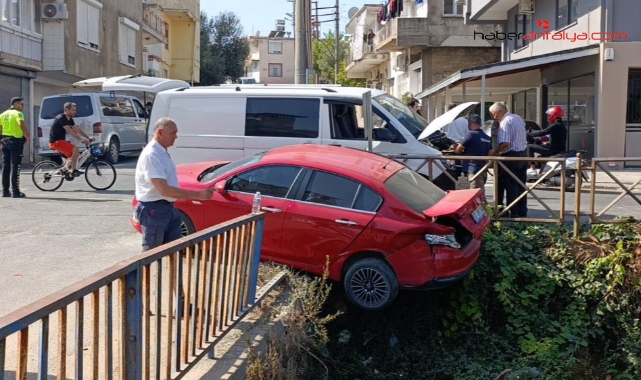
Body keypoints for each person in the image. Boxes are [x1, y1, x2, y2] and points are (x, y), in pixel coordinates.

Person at [134, 117, 213, 252]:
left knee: (175, 251)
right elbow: (164, 190)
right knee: (149, 255)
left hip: (166, 208)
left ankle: (169, 273)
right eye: (173, 133)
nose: (176, 137)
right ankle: (136, 274)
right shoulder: (152, 154)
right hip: (154, 209)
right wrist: (199, 195)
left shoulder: (160, 151)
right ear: (160, 133)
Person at [489, 102, 528, 218]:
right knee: (521, 185)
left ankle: (513, 212)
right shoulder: (518, 118)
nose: (494, 117)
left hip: (511, 156)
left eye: (494, 114)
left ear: (500, 112)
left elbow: (505, 143)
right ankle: (522, 211)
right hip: (523, 155)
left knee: (511, 186)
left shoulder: (505, 122)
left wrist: (495, 153)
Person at [49, 102, 93, 176]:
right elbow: (70, 130)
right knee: (75, 149)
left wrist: (88, 137)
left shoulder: (69, 119)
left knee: (75, 155)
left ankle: (62, 171)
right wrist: (80, 139)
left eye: (75, 110)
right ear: (66, 110)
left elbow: (77, 129)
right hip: (55, 142)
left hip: (61, 142)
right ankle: (73, 170)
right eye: (73, 110)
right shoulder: (61, 118)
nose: (75, 112)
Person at [451, 114, 492, 192]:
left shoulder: (470, 135)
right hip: (483, 170)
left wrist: (454, 147)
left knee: (476, 195)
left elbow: (458, 150)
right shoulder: (487, 138)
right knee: (479, 193)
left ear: (470, 124)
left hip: (473, 170)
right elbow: (489, 153)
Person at [0, 97, 30, 198]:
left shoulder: (3, 114)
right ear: (16, 104)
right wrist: (27, 135)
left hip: (5, 141)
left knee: (5, 167)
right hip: (15, 142)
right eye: (22, 104)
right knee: (15, 166)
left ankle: (5, 191)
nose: (23, 106)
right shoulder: (18, 113)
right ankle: (15, 192)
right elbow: (20, 124)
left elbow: (0, 129)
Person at [527, 106, 567, 170]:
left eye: (549, 115)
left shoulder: (555, 125)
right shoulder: (561, 125)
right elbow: (557, 138)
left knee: (529, 147)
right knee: (538, 145)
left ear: (554, 115)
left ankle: (532, 168)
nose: (548, 117)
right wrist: (546, 142)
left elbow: (542, 132)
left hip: (554, 151)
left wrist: (529, 134)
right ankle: (541, 170)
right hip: (558, 149)